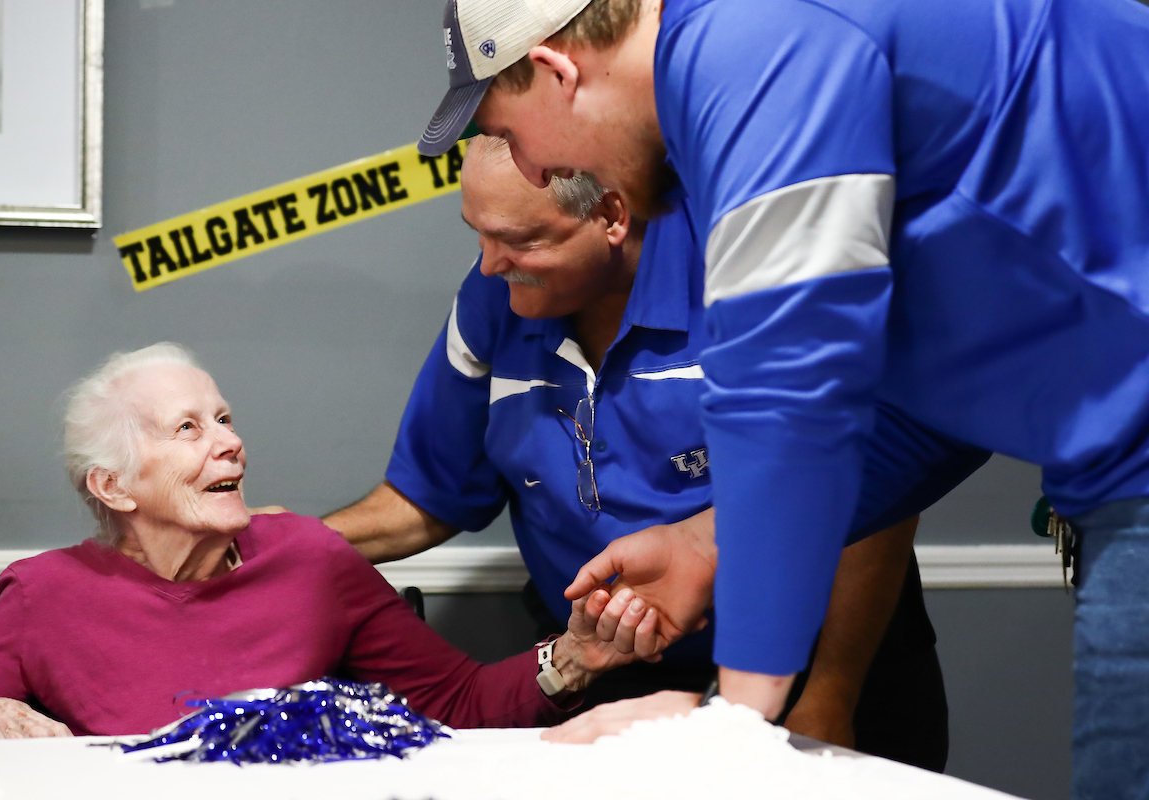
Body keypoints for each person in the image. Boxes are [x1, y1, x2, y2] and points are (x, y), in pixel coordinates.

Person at [415, 0, 1149, 794]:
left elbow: (790, 381)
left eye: (516, 140)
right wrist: (708, 543)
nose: (532, 174)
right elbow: (919, 405)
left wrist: (738, 728)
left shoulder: (751, 36)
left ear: (560, 73)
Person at [317, 135, 989, 770]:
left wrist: (831, 699)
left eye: (518, 240)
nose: (490, 264)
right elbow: (425, 497)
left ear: (610, 216)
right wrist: (276, 544)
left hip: (817, 662)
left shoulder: (743, 275)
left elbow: (869, 490)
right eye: (480, 236)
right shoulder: (497, 297)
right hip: (613, 663)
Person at [0, 343, 645, 738]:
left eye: (224, 418)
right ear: (114, 488)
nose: (231, 443)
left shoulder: (310, 558)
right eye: (188, 429)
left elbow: (460, 701)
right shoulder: (44, 592)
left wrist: (574, 658)